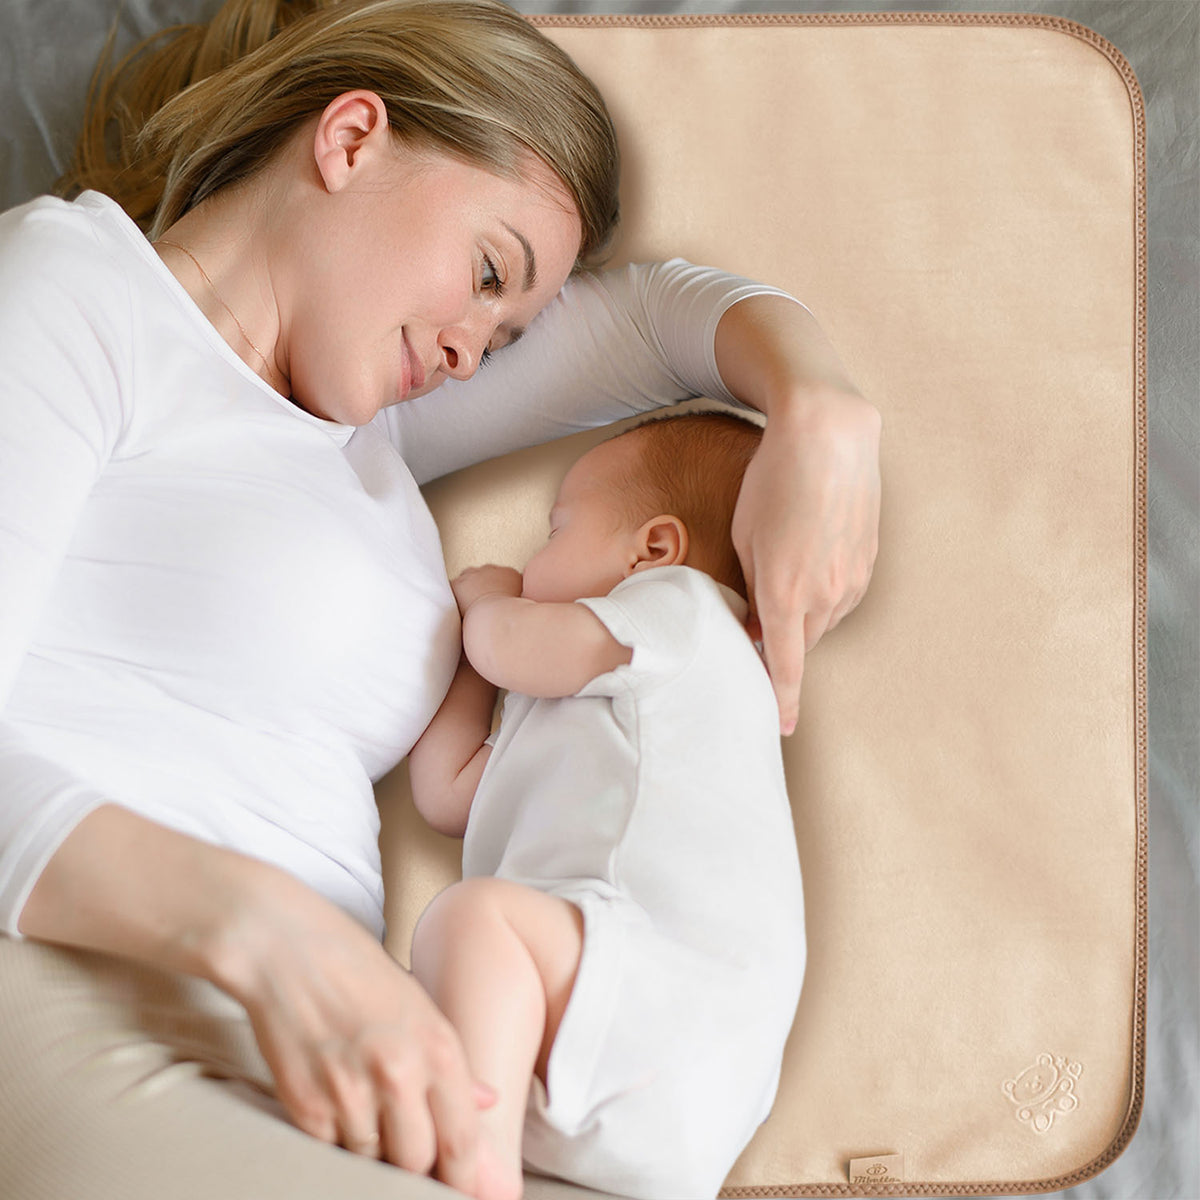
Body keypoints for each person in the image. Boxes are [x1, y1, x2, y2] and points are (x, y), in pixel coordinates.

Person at [0, 1, 879, 1197]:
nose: (473, 349)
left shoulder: (370, 434)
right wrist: (263, 930)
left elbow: (659, 317)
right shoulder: (80, 288)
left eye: (507, 332)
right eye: (486, 274)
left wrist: (823, 410)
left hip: (327, 1070)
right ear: (352, 139)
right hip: (73, 989)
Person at [407, 412, 807, 1200]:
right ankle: (479, 1144)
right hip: (636, 1087)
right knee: (433, 974)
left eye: (555, 530)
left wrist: (486, 605)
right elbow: (445, 790)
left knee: (469, 922)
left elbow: (510, 643)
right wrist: (473, 668)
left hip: (671, 998)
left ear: (653, 549)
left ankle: (466, 1169)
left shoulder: (686, 614)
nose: (531, 558)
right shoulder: (588, 695)